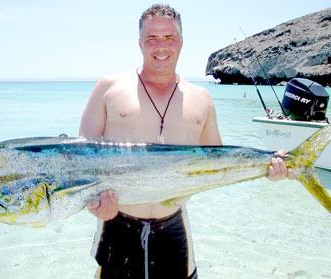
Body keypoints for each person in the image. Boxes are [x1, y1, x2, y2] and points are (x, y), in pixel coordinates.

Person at [79, 4, 294, 279]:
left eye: (169, 38)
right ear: (140, 43)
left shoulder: (201, 99)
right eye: (152, 38)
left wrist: (267, 168)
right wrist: (92, 203)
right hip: (117, 226)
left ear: (181, 42)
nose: (161, 47)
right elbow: (79, 163)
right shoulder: (109, 88)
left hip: (174, 230)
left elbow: (219, 165)